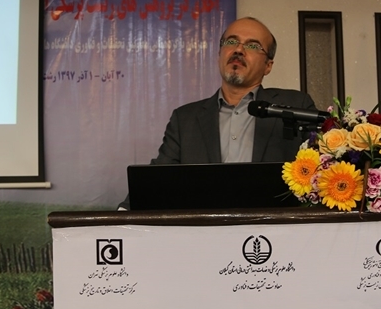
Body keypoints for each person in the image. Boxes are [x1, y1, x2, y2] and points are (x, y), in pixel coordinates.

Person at [119, 17, 316, 209]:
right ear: (219, 54)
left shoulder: (295, 106)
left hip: (273, 227)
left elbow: (323, 171)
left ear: (268, 66)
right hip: (206, 227)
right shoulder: (185, 120)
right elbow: (157, 180)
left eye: (252, 45)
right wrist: (122, 214)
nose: (238, 50)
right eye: (231, 42)